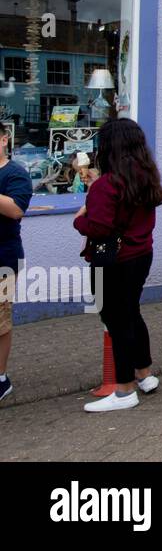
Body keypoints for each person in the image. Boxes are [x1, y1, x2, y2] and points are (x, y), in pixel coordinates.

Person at [74, 119, 162, 413]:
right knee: (132, 313)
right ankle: (144, 373)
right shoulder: (145, 176)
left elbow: (98, 227)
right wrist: (96, 189)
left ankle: (124, 389)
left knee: (116, 321)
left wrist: (80, 218)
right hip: (141, 255)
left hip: (113, 260)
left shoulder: (107, 185)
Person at [0, 122, 33, 404]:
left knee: (0, 321)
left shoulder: (16, 174)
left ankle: (1, 378)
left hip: (4, 258)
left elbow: (16, 210)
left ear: (4, 139)